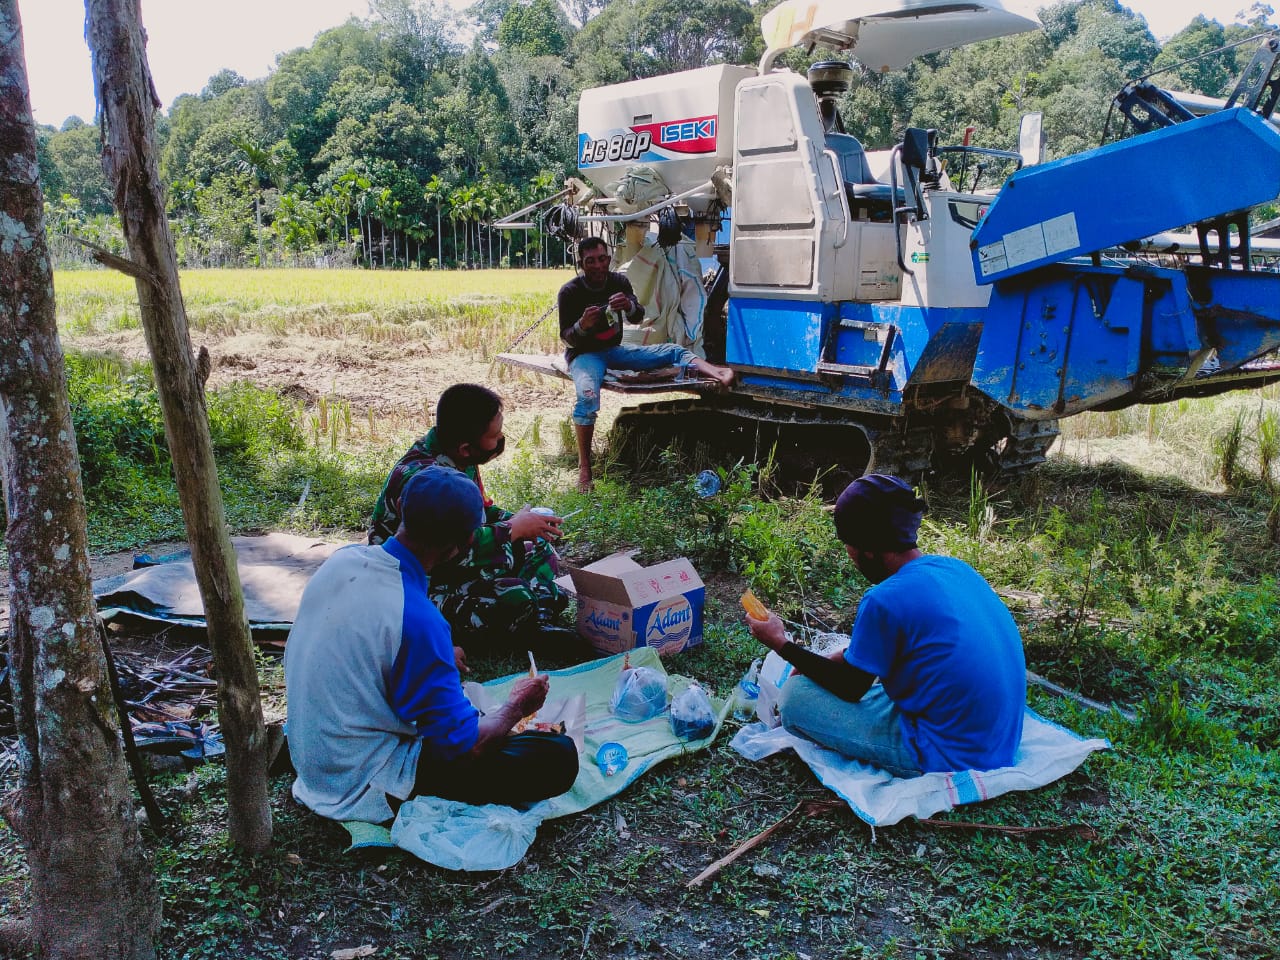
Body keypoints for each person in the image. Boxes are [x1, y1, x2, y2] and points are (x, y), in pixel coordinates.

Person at [286, 466, 580, 825]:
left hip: (315, 758)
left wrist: (433, 654)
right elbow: (469, 747)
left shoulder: (342, 560)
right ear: (464, 544)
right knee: (555, 756)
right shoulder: (419, 622)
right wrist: (516, 707)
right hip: (359, 783)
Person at [745, 474, 1026, 777]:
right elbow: (888, 648)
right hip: (998, 736)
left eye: (849, 548)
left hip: (951, 751)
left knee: (794, 698)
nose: (850, 557)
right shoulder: (954, 568)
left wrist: (780, 643)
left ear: (869, 549)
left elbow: (851, 687)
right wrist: (824, 662)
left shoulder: (884, 599)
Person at [369, 383, 580, 655]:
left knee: (539, 549)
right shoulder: (423, 479)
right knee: (515, 597)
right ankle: (527, 616)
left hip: (453, 561)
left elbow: (475, 513)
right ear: (467, 447)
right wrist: (510, 530)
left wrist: (521, 522)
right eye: (495, 435)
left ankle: (537, 620)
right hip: (417, 579)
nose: (501, 440)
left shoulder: (459, 459)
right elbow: (449, 549)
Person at [559, 236, 735, 491]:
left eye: (601, 259)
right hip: (585, 355)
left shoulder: (618, 281)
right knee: (587, 398)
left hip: (614, 350)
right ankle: (585, 471)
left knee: (673, 350)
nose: (597, 266)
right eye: (590, 261)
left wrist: (629, 305)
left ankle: (717, 372)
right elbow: (568, 339)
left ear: (608, 259)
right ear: (581, 264)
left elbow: (638, 316)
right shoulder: (570, 292)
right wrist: (581, 326)